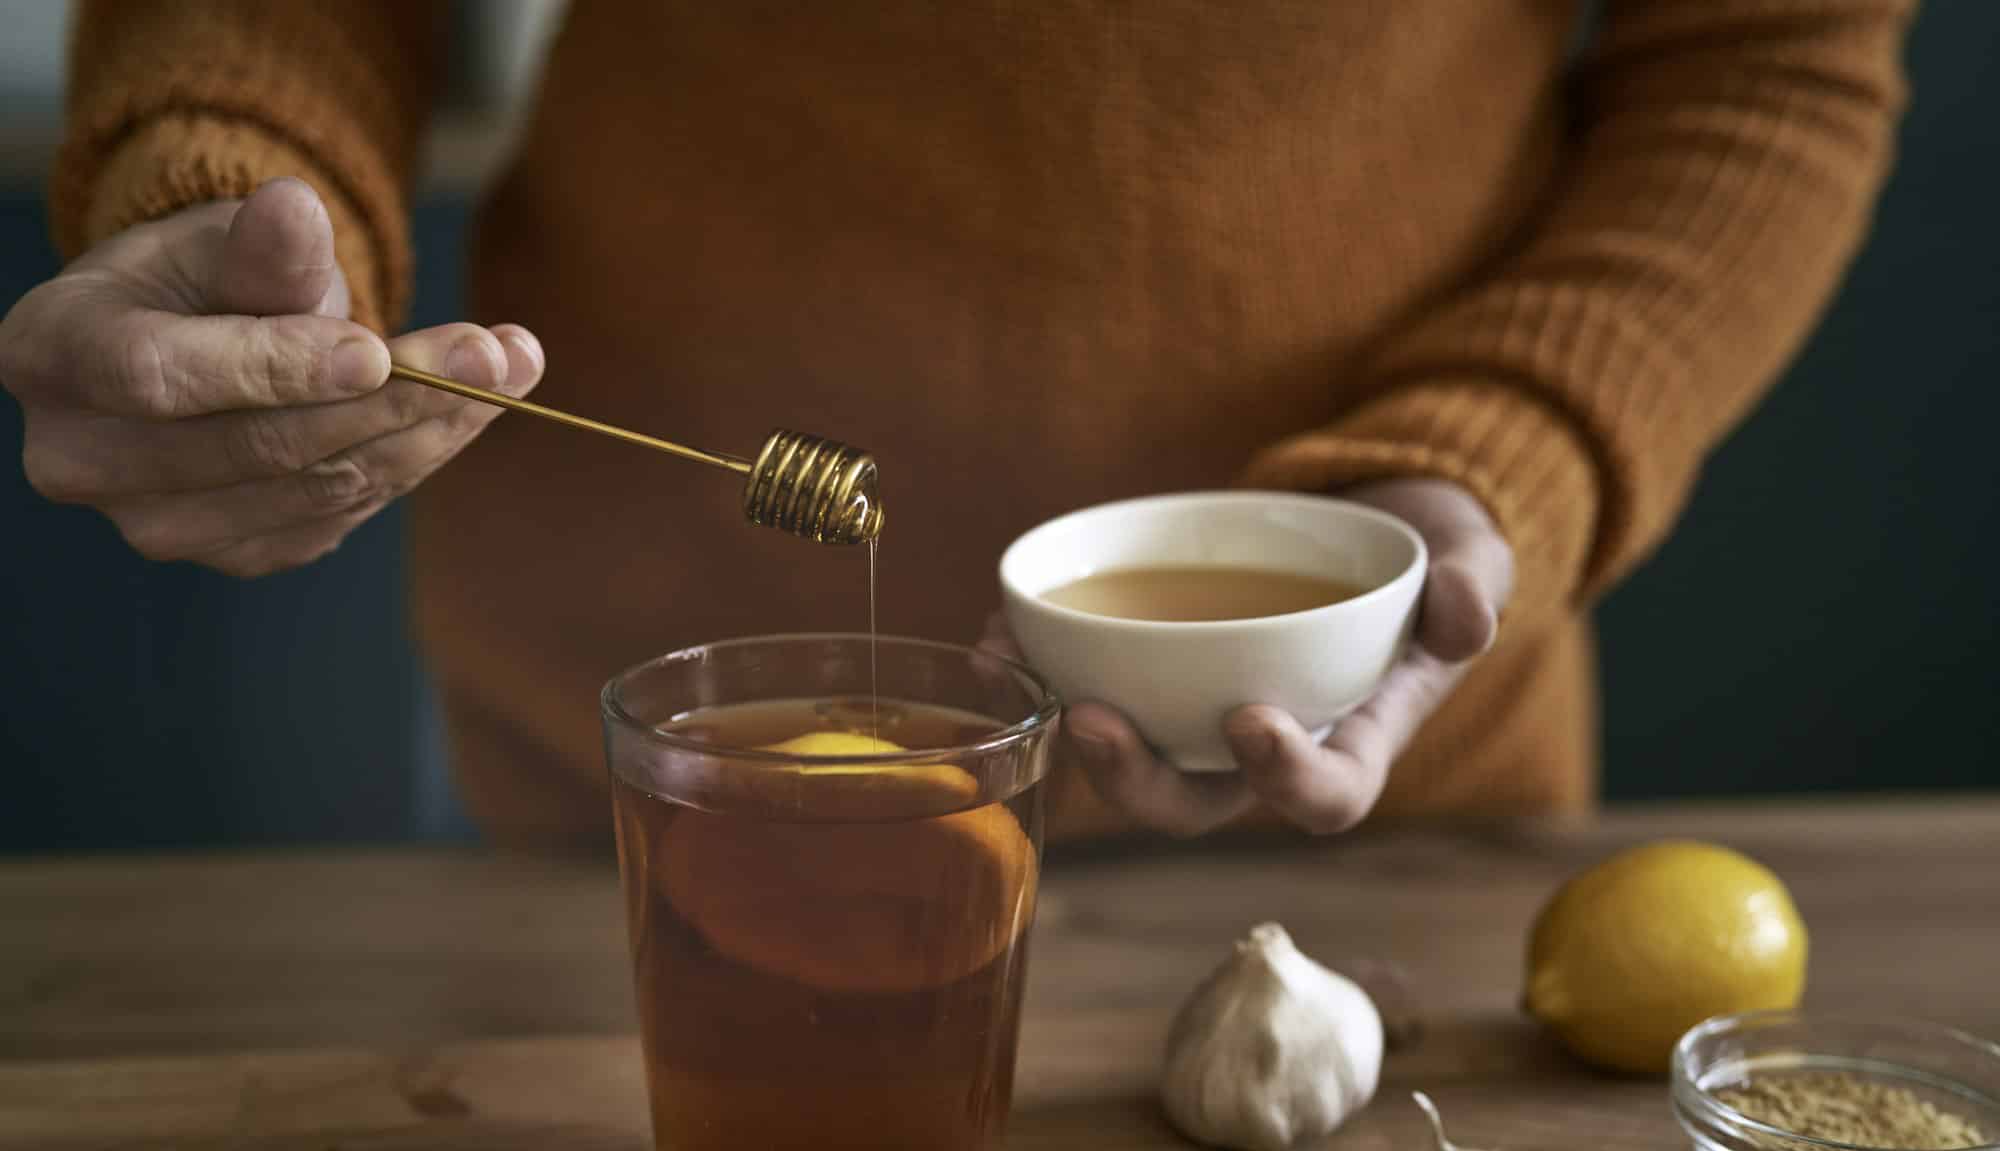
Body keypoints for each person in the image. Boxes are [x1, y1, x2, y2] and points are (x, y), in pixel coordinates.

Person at [0, 2, 1916, 847]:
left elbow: (1773, 45)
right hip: (664, 795)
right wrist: (226, 191)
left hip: (1398, 794)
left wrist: (1496, 454)